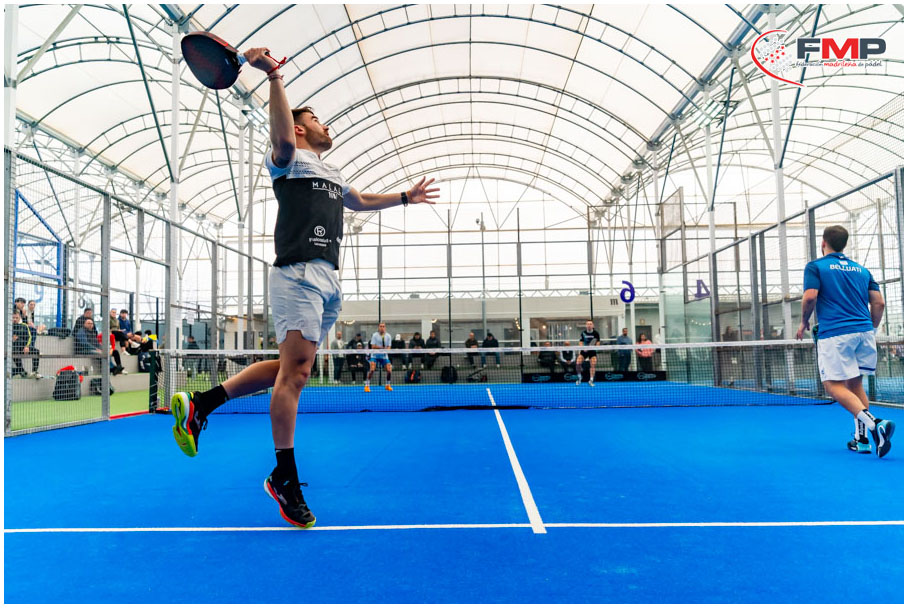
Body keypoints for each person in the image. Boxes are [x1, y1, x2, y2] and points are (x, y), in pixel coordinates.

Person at [169, 46, 439, 528]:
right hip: (298, 273)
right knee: (294, 375)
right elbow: (279, 136)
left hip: (328, 279)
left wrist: (404, 197)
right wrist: (273, 77)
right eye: (315, 119)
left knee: (292, 368)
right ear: (298, 129)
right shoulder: (287, 159)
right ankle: (284, 478)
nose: (324, 124)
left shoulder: (330, 171)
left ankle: (201, 404)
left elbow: (358, 201)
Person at [796, 225, 895, 458]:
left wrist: (803, 322)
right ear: (844, 244)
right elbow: (879, 303)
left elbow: (810, 297)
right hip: (864, 333)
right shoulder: (862, 270)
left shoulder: (816, 266)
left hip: (835, 334)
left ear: (823, 243)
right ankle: (862, 440)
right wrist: (871, 328)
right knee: (855, 384)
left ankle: (875, 424)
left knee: (832, 386)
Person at [11, 311, 41, 378]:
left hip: (23, 347)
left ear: (20, 318)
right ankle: (22, 371)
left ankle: (34, 372)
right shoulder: (8, 327)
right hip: (13, 347)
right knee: (14, 351)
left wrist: (27, 346)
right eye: (13, 318)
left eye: (16, 318)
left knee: (36, 351)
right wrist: (12, 339)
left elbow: (29, 337)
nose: (15, 319)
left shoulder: (24, 326)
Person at [365, 322, 394, 392]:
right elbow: (373, 346)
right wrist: (382, 348)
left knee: (389, 370)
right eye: (381, 326)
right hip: (374, 356)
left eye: (383, 326)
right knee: (372, 370)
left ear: (385, 327)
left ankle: (387, 385)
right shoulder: (374, 335)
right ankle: (367, 385)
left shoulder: (388, 336)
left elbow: (389, 347)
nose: (382, 328)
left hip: (384, 356)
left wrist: (386, 350)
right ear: (378, 327)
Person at [575, 320, 600, 387]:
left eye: (590, 324)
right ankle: (579, 377)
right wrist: (583, 348)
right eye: (588, 324)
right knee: (578, 363)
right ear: (586, 325)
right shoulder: (583, 333)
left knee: (593, 364)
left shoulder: (596, 333)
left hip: (592, 351)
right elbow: (581, 342)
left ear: (593, 325)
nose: (589, 325)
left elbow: (598, 343)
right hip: (584, 350)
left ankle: (591, 380)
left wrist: (595, 348)